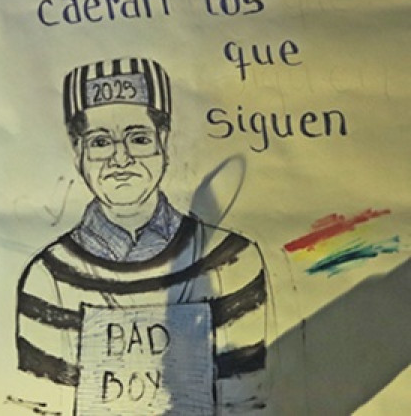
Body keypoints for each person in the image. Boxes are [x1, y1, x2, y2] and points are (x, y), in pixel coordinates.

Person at [15, 58, 268, 412]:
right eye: (100, 141)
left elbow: (245, 403)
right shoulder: (48, 275)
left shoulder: (232, 260)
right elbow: (38, 407)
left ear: (163, 141)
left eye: (138, 138)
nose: (121, 158)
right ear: (77, 152)